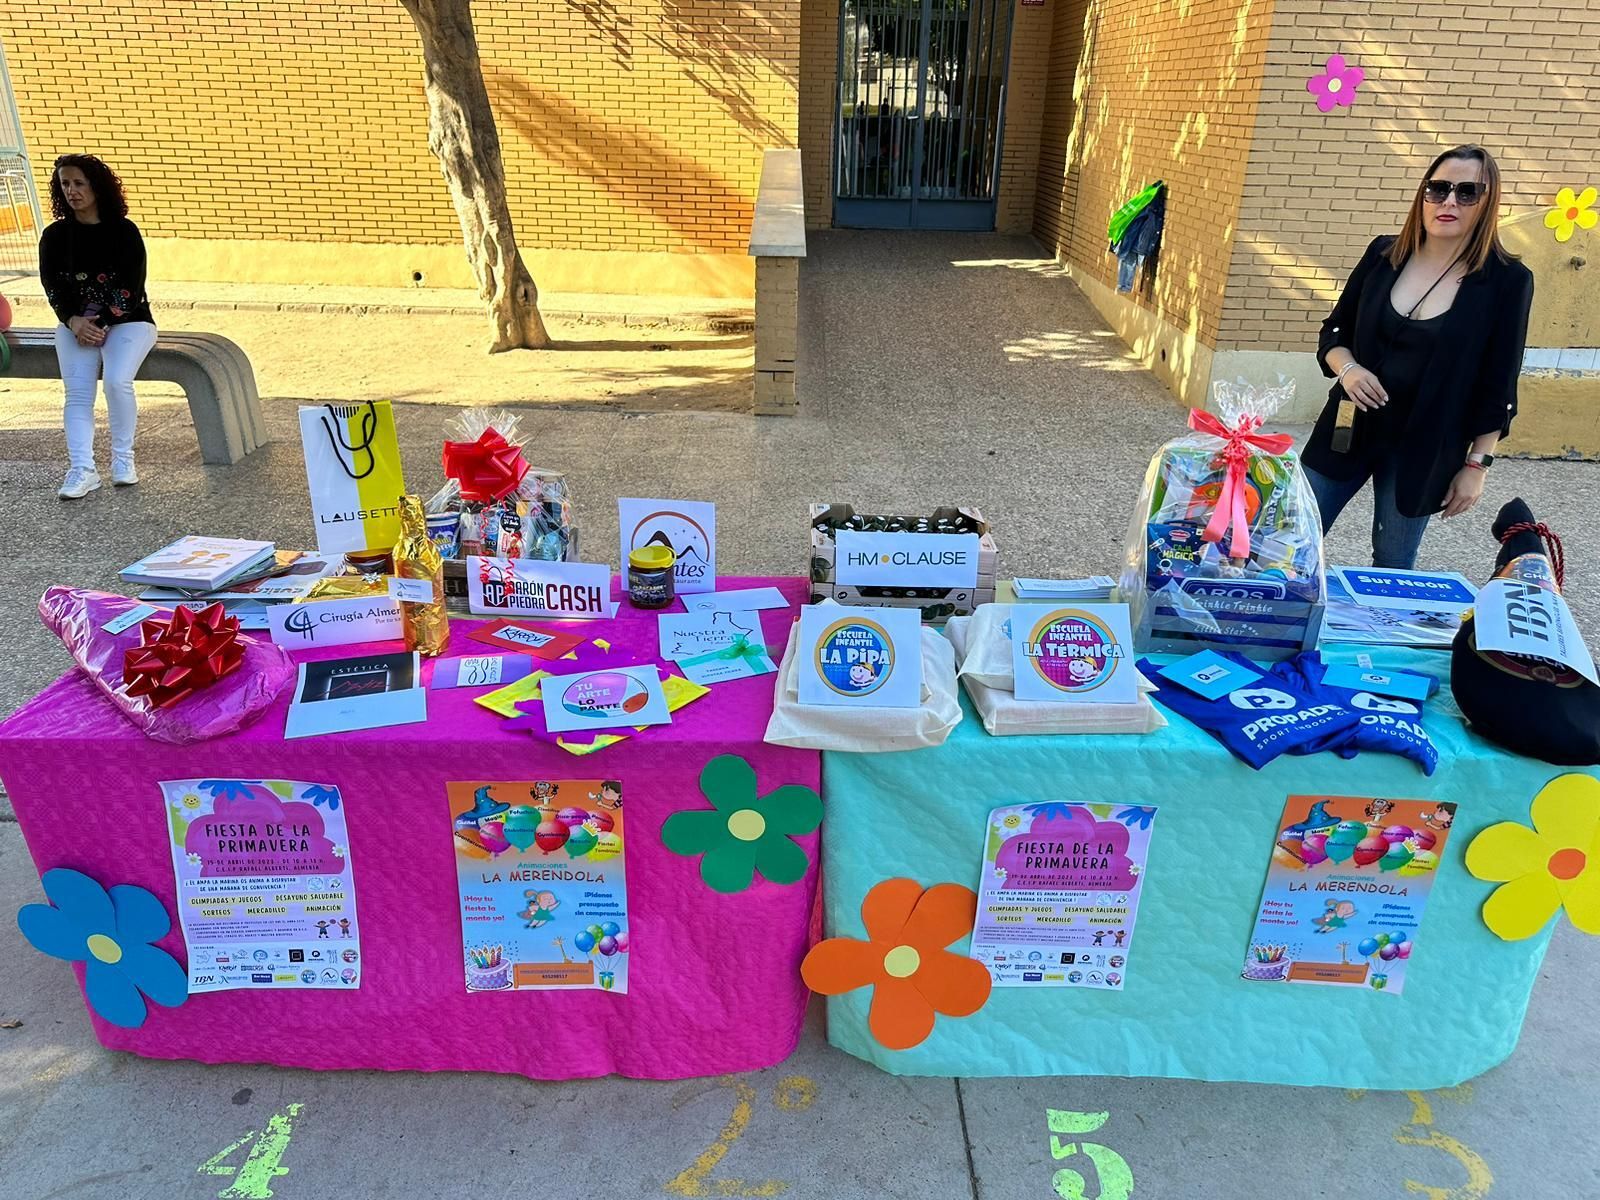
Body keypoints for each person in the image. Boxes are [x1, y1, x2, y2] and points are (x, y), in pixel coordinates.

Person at [1304, 144, 1534, 569]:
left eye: (1467, 192)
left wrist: (1476, 466)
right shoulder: (1382, 254)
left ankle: (1378, 634)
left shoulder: (1507, 281)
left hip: (1426, 445)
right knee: (1292, 538)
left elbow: (1499, 381)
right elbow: (1333, 333)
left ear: (1488, 203)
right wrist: (1349, 370)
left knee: (1393, 562)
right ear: (1422, 195)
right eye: (1438, 188)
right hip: (1348, 426)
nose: (1449, 201)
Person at [38, 154, 158, 499]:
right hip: (75, 324)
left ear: (96, 186)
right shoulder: (56, 236)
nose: (71, 191)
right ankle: (82, 469)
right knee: (77, 394)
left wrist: (100, 323)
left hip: (130, 321)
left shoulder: (124, 231)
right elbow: (53, 286)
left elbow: (130, 288)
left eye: (79, 183)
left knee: (117, 382)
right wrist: (74, 321)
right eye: (65, 184)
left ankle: (123, 461)